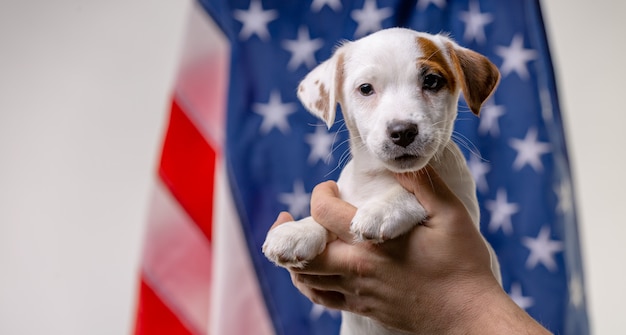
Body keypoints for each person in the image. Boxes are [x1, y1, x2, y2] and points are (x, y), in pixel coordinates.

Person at [269, 166, 551, 334]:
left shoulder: (452, 176)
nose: (401, 119)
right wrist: (315, 229)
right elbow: (343, 229)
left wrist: (463, 307)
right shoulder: (351, 178)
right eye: (367, 89)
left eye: (430, 83)